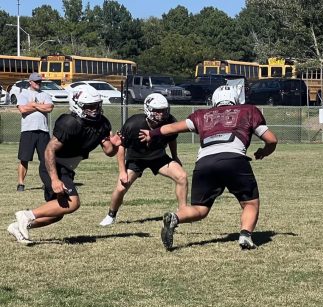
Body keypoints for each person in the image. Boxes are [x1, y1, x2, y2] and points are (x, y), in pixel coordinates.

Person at [139, 85, 278, 251]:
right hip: (233, 159)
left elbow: (173, 127)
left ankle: (175, 217)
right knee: (250, 203)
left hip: (204, 162)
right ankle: (245, 235)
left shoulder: (201, 115)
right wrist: (263, 152)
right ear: (236, 100)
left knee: (200, 209)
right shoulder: (248, 110)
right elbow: (272, 140)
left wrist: (152, 134)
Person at [7, 86, 121, 244]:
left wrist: (115, 144)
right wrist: (54, 179)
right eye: (89, 106)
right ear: (77, 105)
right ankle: (25, 215)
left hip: (67, 169)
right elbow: (49, 150)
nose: (94, 110)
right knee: (73, 202)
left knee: (57, 213)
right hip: (54, 166)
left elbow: (108, 151)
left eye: (96, 105)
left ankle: (17, 226)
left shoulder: (102, 123)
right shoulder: (69, 122)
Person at [99, 94, 188, 226]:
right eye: (157, 110)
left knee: (182, 176)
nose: (161, 114)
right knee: (121, 188)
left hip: (158, 157)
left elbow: (172, 139)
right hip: (136, 159)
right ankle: (111, 215)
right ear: (148, 109)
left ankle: (182, 211)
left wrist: (175, 157)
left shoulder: (170, 120)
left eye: (163, 110)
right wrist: (122, 171)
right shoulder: (133, 124)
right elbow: (121, 147)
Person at [16, 72, 54, 192]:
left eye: (40, 81)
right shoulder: (23, 94)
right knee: (24, 158)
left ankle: (47, 183)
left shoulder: (45, 94)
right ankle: (21, 183)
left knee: (46, 159)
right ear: (30, 82)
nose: (38, 83)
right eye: (36, 82)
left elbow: (49, 108)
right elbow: (22, 109)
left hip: (43, 131)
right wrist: (40, 106)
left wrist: (33, 104)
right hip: (28, 130)